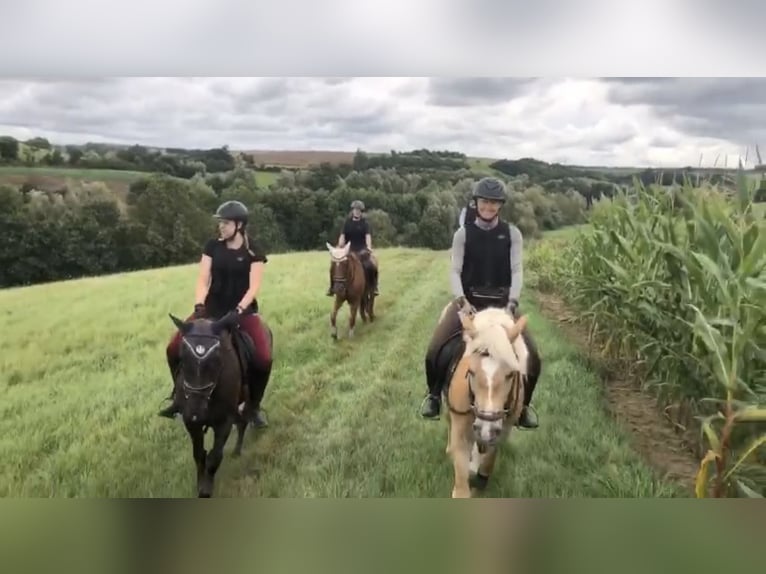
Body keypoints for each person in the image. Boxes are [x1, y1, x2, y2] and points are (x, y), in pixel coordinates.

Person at [419, 177, 542, 429]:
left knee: (532, 357)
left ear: (500, 205)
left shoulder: (512, 234)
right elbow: (455, 271)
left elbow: (517, 270)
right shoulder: (463, 234)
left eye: (494, 203)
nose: (488, 207)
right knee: (435, 350)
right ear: (476, 203)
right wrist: (462, 302)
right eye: (484, 201)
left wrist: (512, 303)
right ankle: (433, 396)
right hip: (469, 303)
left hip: (502, 305)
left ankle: (524, 407)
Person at [158, 200, 272, 428]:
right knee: (172, 348)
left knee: (263, 358)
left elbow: (253, 287)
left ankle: (253, 407)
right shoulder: (213, 246)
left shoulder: (254, 251)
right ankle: (179, 398)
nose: (221, 227)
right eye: (220, 223)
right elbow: (203, 278)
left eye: (226, 223)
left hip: (242, 313)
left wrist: (239, 309)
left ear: (239, 225)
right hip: (211, 310)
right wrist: (200, 304)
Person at [326, 199, 379, 296]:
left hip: (362, 251)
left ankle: (374, 287)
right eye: (355, 209)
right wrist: (339, 246)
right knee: (334, 265)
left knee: (371, 266)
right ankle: (332, 287)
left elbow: (368, 237)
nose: (357, 211)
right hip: (349, 251)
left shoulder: (365, 224)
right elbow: (342, 237)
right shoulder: (347, 223)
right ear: (352, 210)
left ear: (361, 211)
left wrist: (369, 247)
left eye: (359, 210)